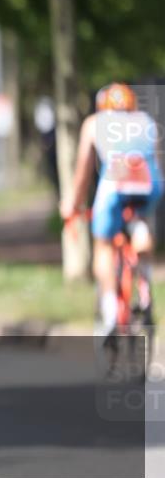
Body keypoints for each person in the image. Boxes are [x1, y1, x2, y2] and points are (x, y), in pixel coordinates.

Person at [60, 82, 163, 343]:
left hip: (115, 181)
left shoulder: (94, 123)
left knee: (104, 244)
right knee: (140, 221)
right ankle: (145, 281)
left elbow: (84, 170)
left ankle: (109, 312)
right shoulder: (146, 121)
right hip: (148, 182)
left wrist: (72, 203)